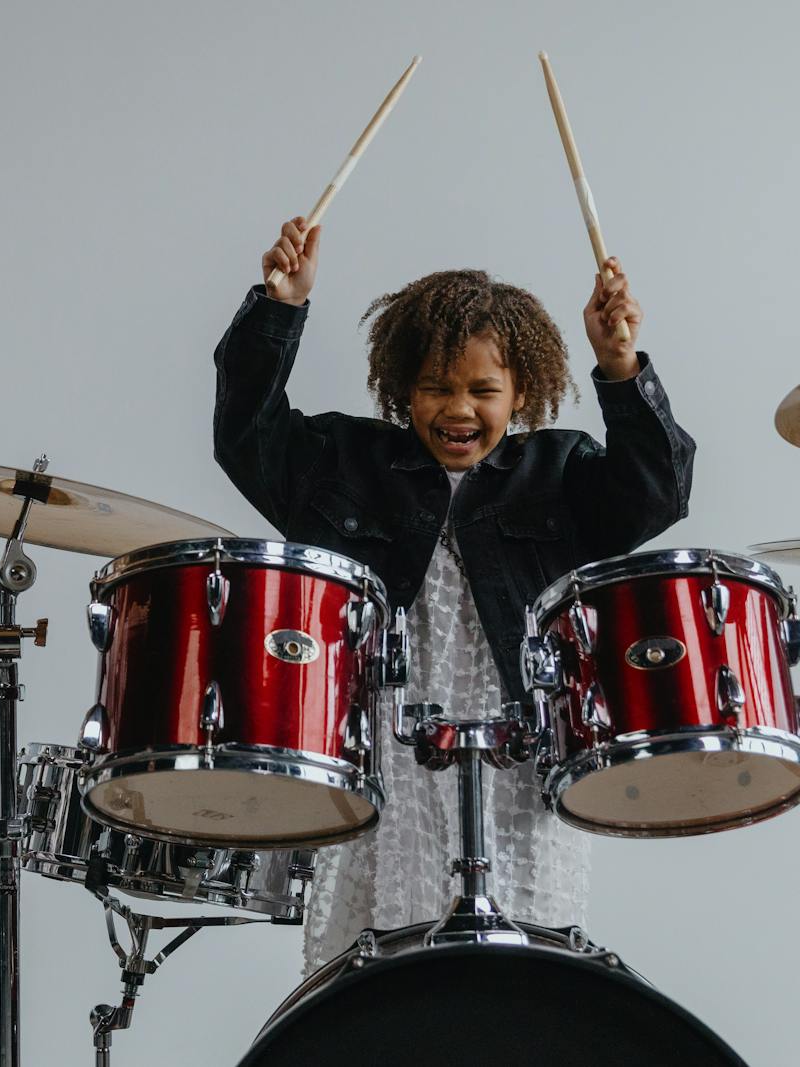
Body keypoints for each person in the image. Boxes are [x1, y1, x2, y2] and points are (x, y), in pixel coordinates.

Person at [212, 216, 695, 974]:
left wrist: (621, 368)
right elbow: (247, 436)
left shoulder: (560, 471)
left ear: (522, 391)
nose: (457, 408)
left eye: (482, 389)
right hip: (383, 750)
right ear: (403, 389)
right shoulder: (349, 462)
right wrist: (279, 310)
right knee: (376, 972)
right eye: (436, 387)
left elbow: (658, 490)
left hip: (517, 757)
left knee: (522, 971)